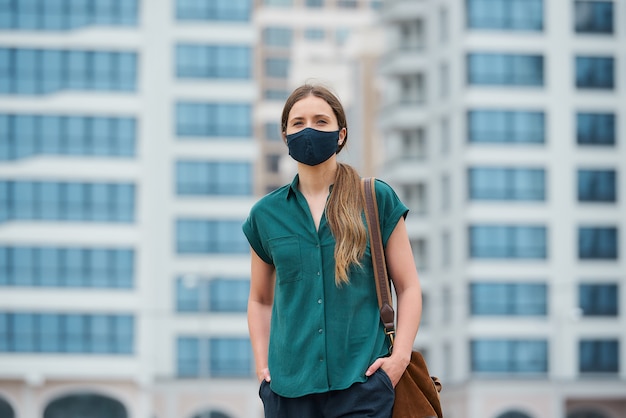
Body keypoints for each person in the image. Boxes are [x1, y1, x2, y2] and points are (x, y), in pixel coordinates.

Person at [242, 84, 422, 418]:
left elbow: (409, 287)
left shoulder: (375, 199)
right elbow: (260, 300)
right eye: (298, 122)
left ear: (340, 134)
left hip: (362, 385)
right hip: (288, 391)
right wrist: (262, 368)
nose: (308, 129)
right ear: (285, 135)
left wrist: (399, 359)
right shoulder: (265, 215)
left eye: (320, 121)